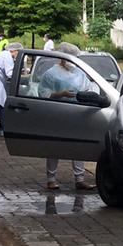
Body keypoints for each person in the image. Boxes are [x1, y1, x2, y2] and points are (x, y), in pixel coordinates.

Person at [38, 43, 96, 191]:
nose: (72, 61)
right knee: (54, 146)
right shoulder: (51, 74)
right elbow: (43, 93)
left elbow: (88, 88)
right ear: (62, 57)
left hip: (77, 112)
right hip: (57, 112)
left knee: (78, 146)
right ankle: (51, 179)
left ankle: (80, 179)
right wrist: (61, 94)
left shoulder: (79, 73)